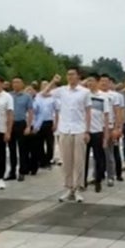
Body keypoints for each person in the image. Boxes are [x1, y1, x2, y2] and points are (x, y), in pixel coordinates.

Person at [50, 69, 92, 203]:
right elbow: (44, 93)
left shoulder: (85, 92)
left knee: (79, 161)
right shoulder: (62, 90)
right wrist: (53, 81)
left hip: (79, 128)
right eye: (68, 74)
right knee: (66, 161)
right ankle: (68, 187)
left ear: (78, 76)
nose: (70, 77)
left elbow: (88, 112)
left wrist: (87, 131)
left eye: (73, 74)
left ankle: (78, 188)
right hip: (65, 128)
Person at [6, 77, 35, 182]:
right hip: (10, 124)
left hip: (21, 123)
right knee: (11, 149)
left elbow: (30, 112)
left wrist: (28, 126)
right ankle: (12, 171)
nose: (15, 84)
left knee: (22, 149)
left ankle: (22, 171)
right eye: (13, 82)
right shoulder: (8, 95)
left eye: (18, 82)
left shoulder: (27, 96)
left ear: (22, 84)